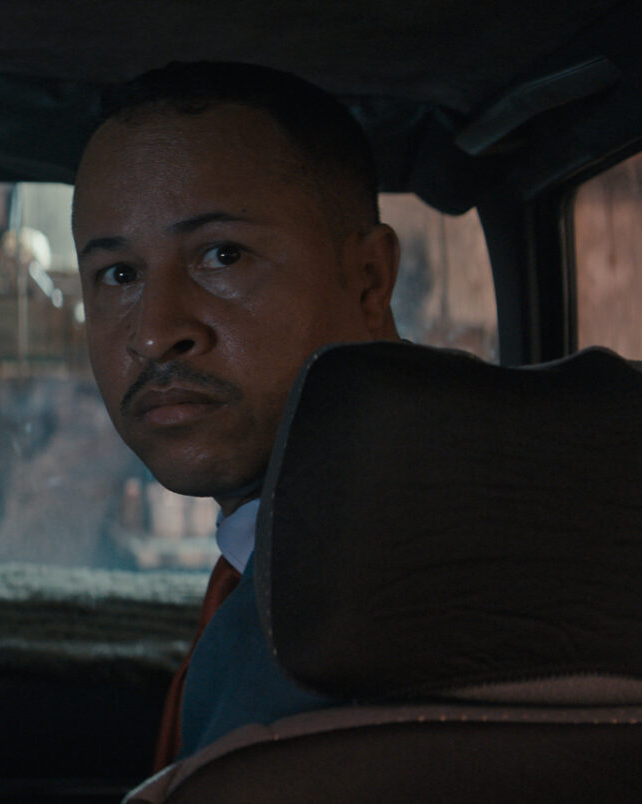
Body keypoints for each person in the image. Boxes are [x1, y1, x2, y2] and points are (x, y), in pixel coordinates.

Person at [70, 62, 403, 769]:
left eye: (223, 256)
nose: (154, 333)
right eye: (119, 274)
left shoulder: (404, 593)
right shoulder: (278, 562)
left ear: (369, 282)